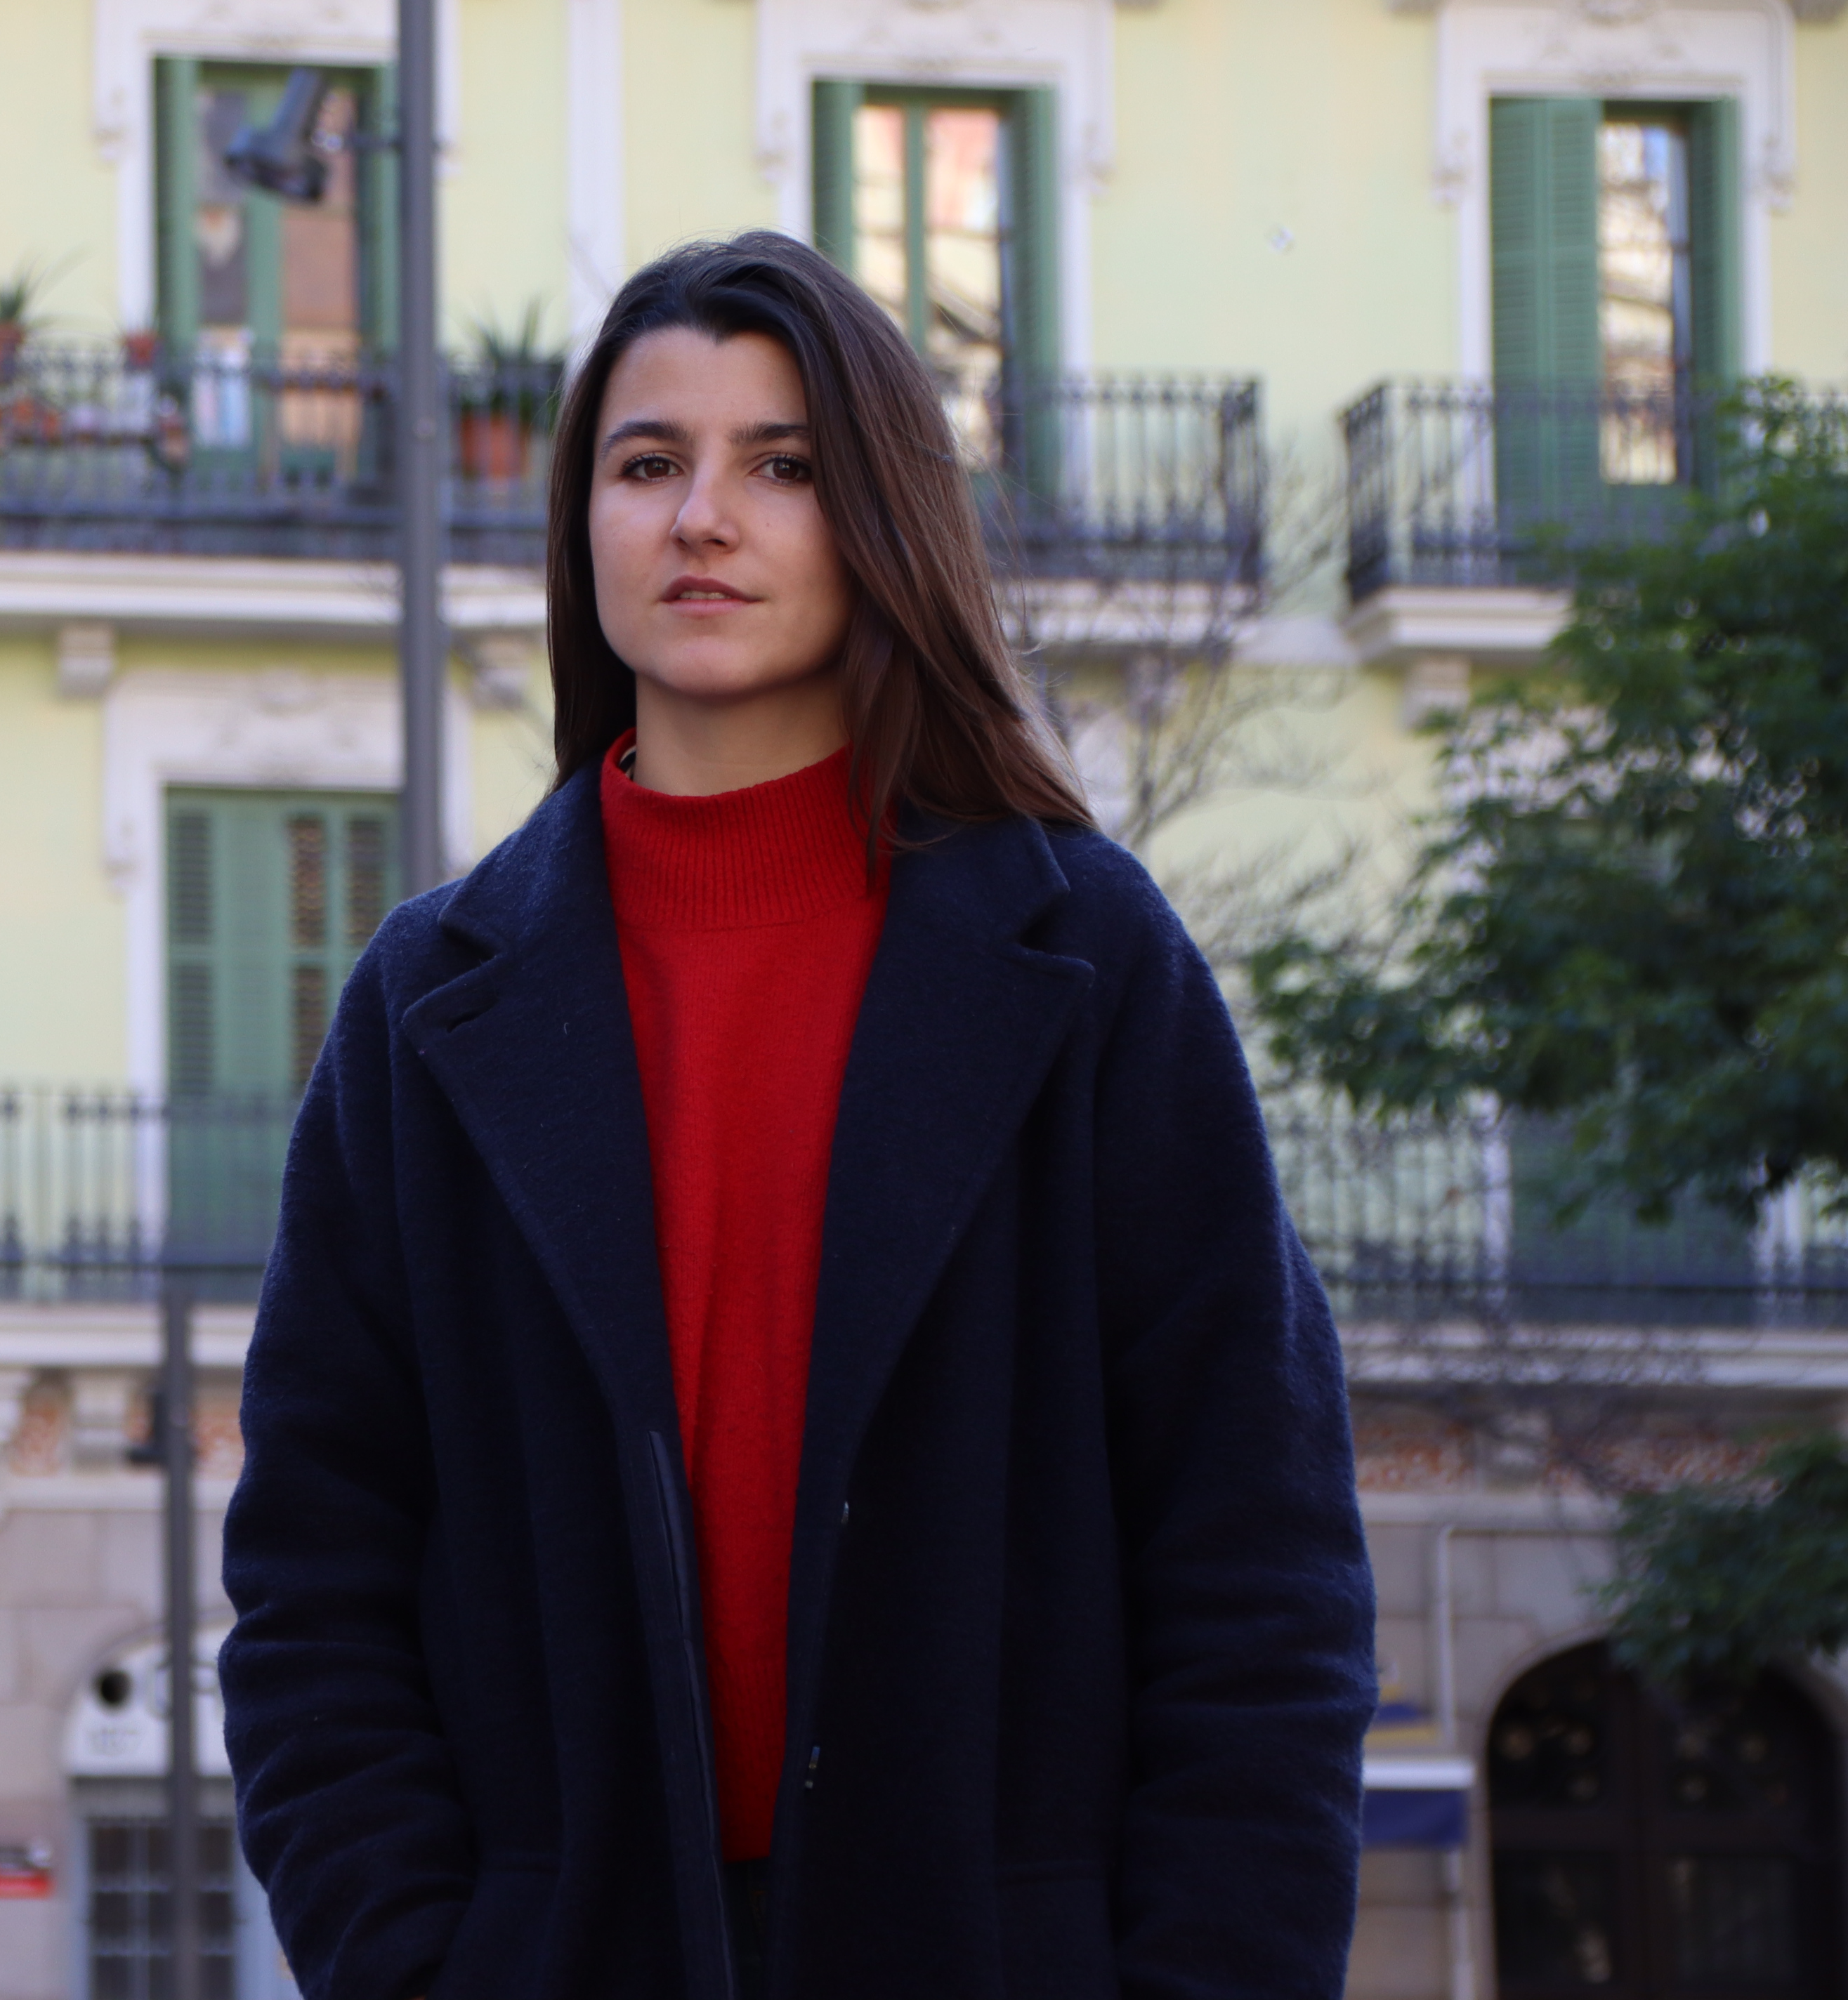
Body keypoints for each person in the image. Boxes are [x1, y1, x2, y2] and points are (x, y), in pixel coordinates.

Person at [216, 231, 1375, 2000]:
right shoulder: (423, 1006)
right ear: (581, 526)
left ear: (879, 519)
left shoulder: (1088, 957)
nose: (703, 515)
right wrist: (421, 1961)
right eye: (647, 462)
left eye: (783, 465)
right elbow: (316, 1574)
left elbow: (1256, 1541)